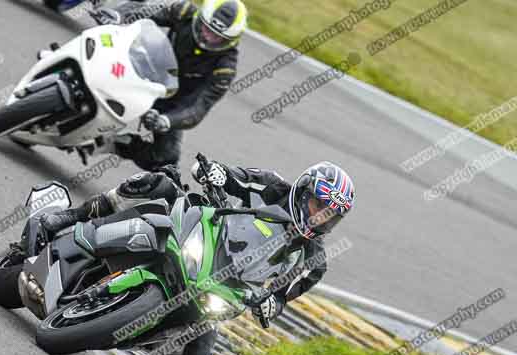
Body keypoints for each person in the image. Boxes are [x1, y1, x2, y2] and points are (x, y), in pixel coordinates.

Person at [39, 159, 356, 326]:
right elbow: (229, 175)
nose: (321, 218)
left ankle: (135, 330)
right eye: (319, 206)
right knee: (156, 185)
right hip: (205, 234)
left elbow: (283, 294)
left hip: (225, 288)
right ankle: (75, 218)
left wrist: (273, 305)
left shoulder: (313, 259)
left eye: (331, 215)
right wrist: (215, 172)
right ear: (303, 193)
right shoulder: (271, 186)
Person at [76, 0, 247, 170]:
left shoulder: (225, 68)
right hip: (145, 66)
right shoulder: (185, 11)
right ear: (200, 18)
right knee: (100, 52)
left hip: (168, 103)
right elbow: (146, 10)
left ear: (230, 40)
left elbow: (199, 108)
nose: (208, 37)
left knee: (166, 158)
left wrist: (167, 120)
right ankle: (61, 65)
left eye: (217, 36)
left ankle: (109, 143)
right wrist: (119, 15)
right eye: (207, 28)